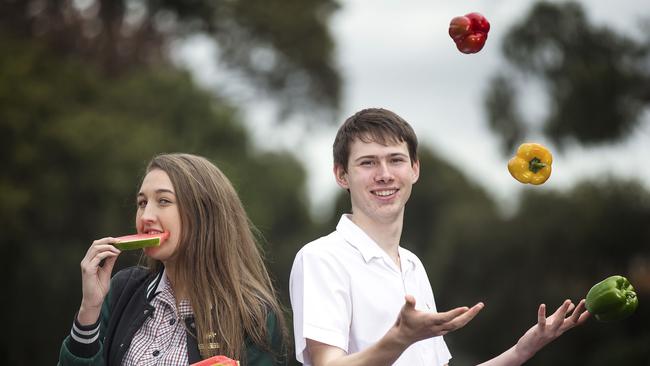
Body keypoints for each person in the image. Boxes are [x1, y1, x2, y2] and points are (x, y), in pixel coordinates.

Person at [289, 108, 590, 366]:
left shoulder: (412, 265)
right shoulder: (321, 258)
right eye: (367, 162)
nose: (384, 174)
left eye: (395, 160)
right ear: (342, 175)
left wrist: (522, 350)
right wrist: (400, 338)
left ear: (414, 169)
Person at [58, 153, 288, 366]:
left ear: (203, 214)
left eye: (164, 201)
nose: (146, 216)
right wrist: (89, 308)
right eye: (142, 203)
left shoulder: (254, 316)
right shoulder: (122, 289)